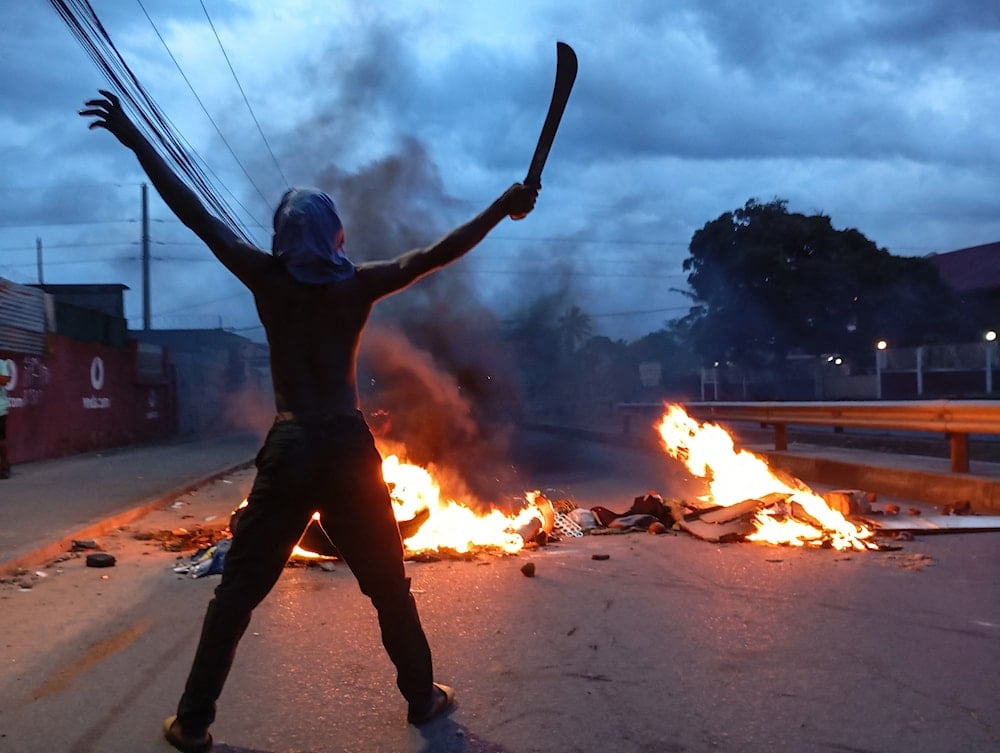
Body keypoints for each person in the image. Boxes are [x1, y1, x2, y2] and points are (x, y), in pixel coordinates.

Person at [81, 89, 537, 753]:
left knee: (237, 594)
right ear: (335, 236)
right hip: (349, 449)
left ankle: (192, 722)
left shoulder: (266, 279)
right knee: (389, 587)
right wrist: (502, 205)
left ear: (281, 236)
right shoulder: (357, 286)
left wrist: (133, 138)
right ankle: (421, 698)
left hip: (292, 447)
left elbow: (195, 214)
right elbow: (436, 253)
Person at [0, 357, 10, 479]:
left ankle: (4, 467)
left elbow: (4, 380)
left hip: (0, 409)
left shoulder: (1, 363)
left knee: (1, 441)